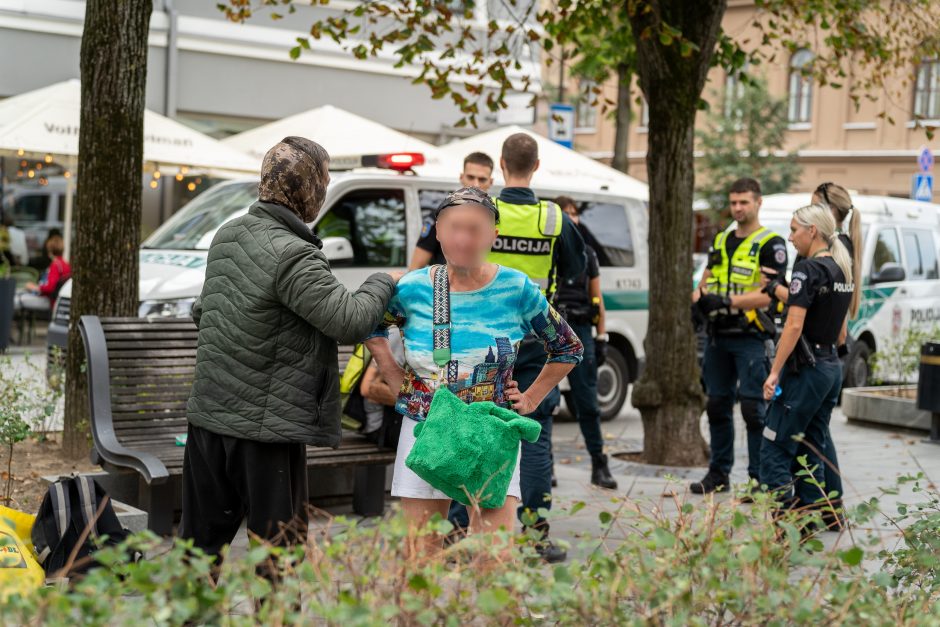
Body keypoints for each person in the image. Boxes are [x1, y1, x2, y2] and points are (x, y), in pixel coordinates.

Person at [180, 137, 402, 563]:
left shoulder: (228, 235)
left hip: (208, 420)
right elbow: (350, 320)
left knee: (197, 552)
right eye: (325, 181)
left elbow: (204, 309)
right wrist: (383, 280)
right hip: (265, 434)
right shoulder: (293, 254)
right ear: (310, 189)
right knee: (277, 558)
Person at [365, 187, 583, 556]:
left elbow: (568, 346)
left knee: (492, 556)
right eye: (454, 228)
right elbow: (368, 325)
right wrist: (391, 371)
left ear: (493, 235)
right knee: (422, 555)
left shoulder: (517, 288)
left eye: (475, 229)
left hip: (492, 432)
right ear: (438, 231)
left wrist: (530, 398)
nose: (463, 239)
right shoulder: (412, 288)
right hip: (425, 427)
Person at [762, 182, 861, 527]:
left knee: (774, 447)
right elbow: (840, 331)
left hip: (807, 369)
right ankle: (813, 518)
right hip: (830, 366)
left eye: (793, 230)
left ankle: (788, 524)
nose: (790, 238)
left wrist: (774, 372)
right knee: (812, 449)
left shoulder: (808, 269)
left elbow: (793, 325)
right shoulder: (841, 268)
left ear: (812, 231)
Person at [691, 178, 788, 494]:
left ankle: (760, 478)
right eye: (733, 202)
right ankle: (718, 474)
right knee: (717, 405)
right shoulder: (720, 240)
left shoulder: (771, 244)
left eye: (744, 202)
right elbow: (705, 281)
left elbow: (770, 295)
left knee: (753, 410)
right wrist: (697, 301)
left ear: (758, 202)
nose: (737, 208)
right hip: (718, 336)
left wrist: (728, 301)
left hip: (750, 336)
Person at [554, 195, 617, 489]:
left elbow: (597, 299)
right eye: (564, 214)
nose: (571, 219)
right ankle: (544, 466)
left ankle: (599, 464)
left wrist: (602, 337)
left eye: (574, 213)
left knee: (588, 403)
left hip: (581, 329)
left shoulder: (588, 254)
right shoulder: (550, 250)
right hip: (551, 329)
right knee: (544, 402)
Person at [409, 152, 495, 269]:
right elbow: (415, 268)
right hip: (445, 285)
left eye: (482, 179)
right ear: (461, 177)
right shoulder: (441, 215)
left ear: (490, 182)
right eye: (470, 177)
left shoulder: (495, 218)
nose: (475, 184)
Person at [16, 233, 70, 311]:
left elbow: (50, 288)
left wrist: (34, 287)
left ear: (49, 250)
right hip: (57, 300)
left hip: (50, 300)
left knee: (18, 299)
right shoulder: (65, 264)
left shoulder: (55, 265)